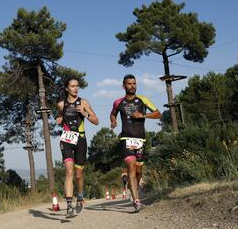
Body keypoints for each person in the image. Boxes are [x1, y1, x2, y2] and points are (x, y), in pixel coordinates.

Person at [110, 74, 162, 212]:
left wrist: (143, 115)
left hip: (141, 139)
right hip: (126, 139)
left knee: (139, 171)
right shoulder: (118, 102)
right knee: (131, 168)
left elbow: (158, 113)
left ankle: (136, 188)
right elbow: (113, 113)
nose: (132, 86)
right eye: (129, 84)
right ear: (124, 86)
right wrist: (113, 121)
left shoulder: (143, 100)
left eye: (134, 83)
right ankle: (136, 201)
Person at [56, 77, 99, 218]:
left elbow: (96, 121)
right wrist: (59, 120)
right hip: (67, 140)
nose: (76, 88)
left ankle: (80, 197)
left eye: (77, 86)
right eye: (73, 86)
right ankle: (69, 206)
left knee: (79, 174)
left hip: (80, 140)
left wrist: (84, 113)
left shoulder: (83, 102)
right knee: (69, 171)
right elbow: (60, 117)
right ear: (67, 88)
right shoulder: (61, 105)